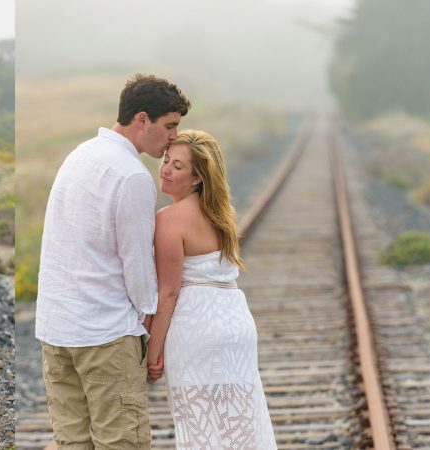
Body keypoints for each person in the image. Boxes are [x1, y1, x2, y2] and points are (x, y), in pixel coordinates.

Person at [35, 74, 190, 449]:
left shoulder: (80, 154)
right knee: (122, 442)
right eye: (169, 126)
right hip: (104, 335)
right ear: (141, 120)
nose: (172, 137)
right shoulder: (132, 175)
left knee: (72, 442)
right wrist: (148, 328)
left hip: (56, 332)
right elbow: (136, 266)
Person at [146, 130, 276, 449]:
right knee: (240, 424)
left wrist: (152, 351)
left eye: (177, 166)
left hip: (196, 327)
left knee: (201, 425)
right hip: (235, 323)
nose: (165, 169)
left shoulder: (169, 220)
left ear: (196, 179)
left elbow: (169, 293)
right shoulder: (221, 214)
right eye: (165, 160)